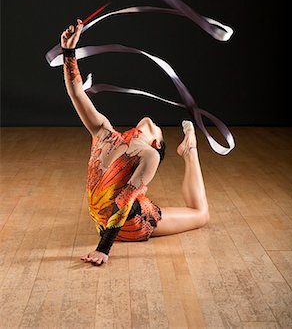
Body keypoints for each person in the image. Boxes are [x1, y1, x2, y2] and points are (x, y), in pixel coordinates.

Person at [61, 19, 210, 267]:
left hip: (134, 221)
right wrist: (69, 52)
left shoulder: (149, 156)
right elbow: (77, 93)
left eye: (158, 130)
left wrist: (103, 249)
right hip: (107, 220)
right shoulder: (104, 133)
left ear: (156, 144)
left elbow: (126, 201)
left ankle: (191, 152)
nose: (151, 121)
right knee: (198, 213)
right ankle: (189, 150)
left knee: (201, 215)